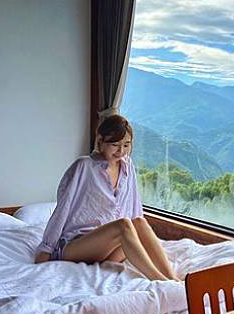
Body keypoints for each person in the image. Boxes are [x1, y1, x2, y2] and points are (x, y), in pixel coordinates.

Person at [34, 114, 179, 281]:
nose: (121, 151)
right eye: (115, 145)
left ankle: (174, 279)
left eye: (126, 145)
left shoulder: (127, 166)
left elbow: (134, 207)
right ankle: (161, 281)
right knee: (123, 225)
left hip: (107, 250)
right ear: (100, 141)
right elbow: (62, 209)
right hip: (77, 245)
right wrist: (46, 248)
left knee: (139, 221)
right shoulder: (83, 166)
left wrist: (137, 235)